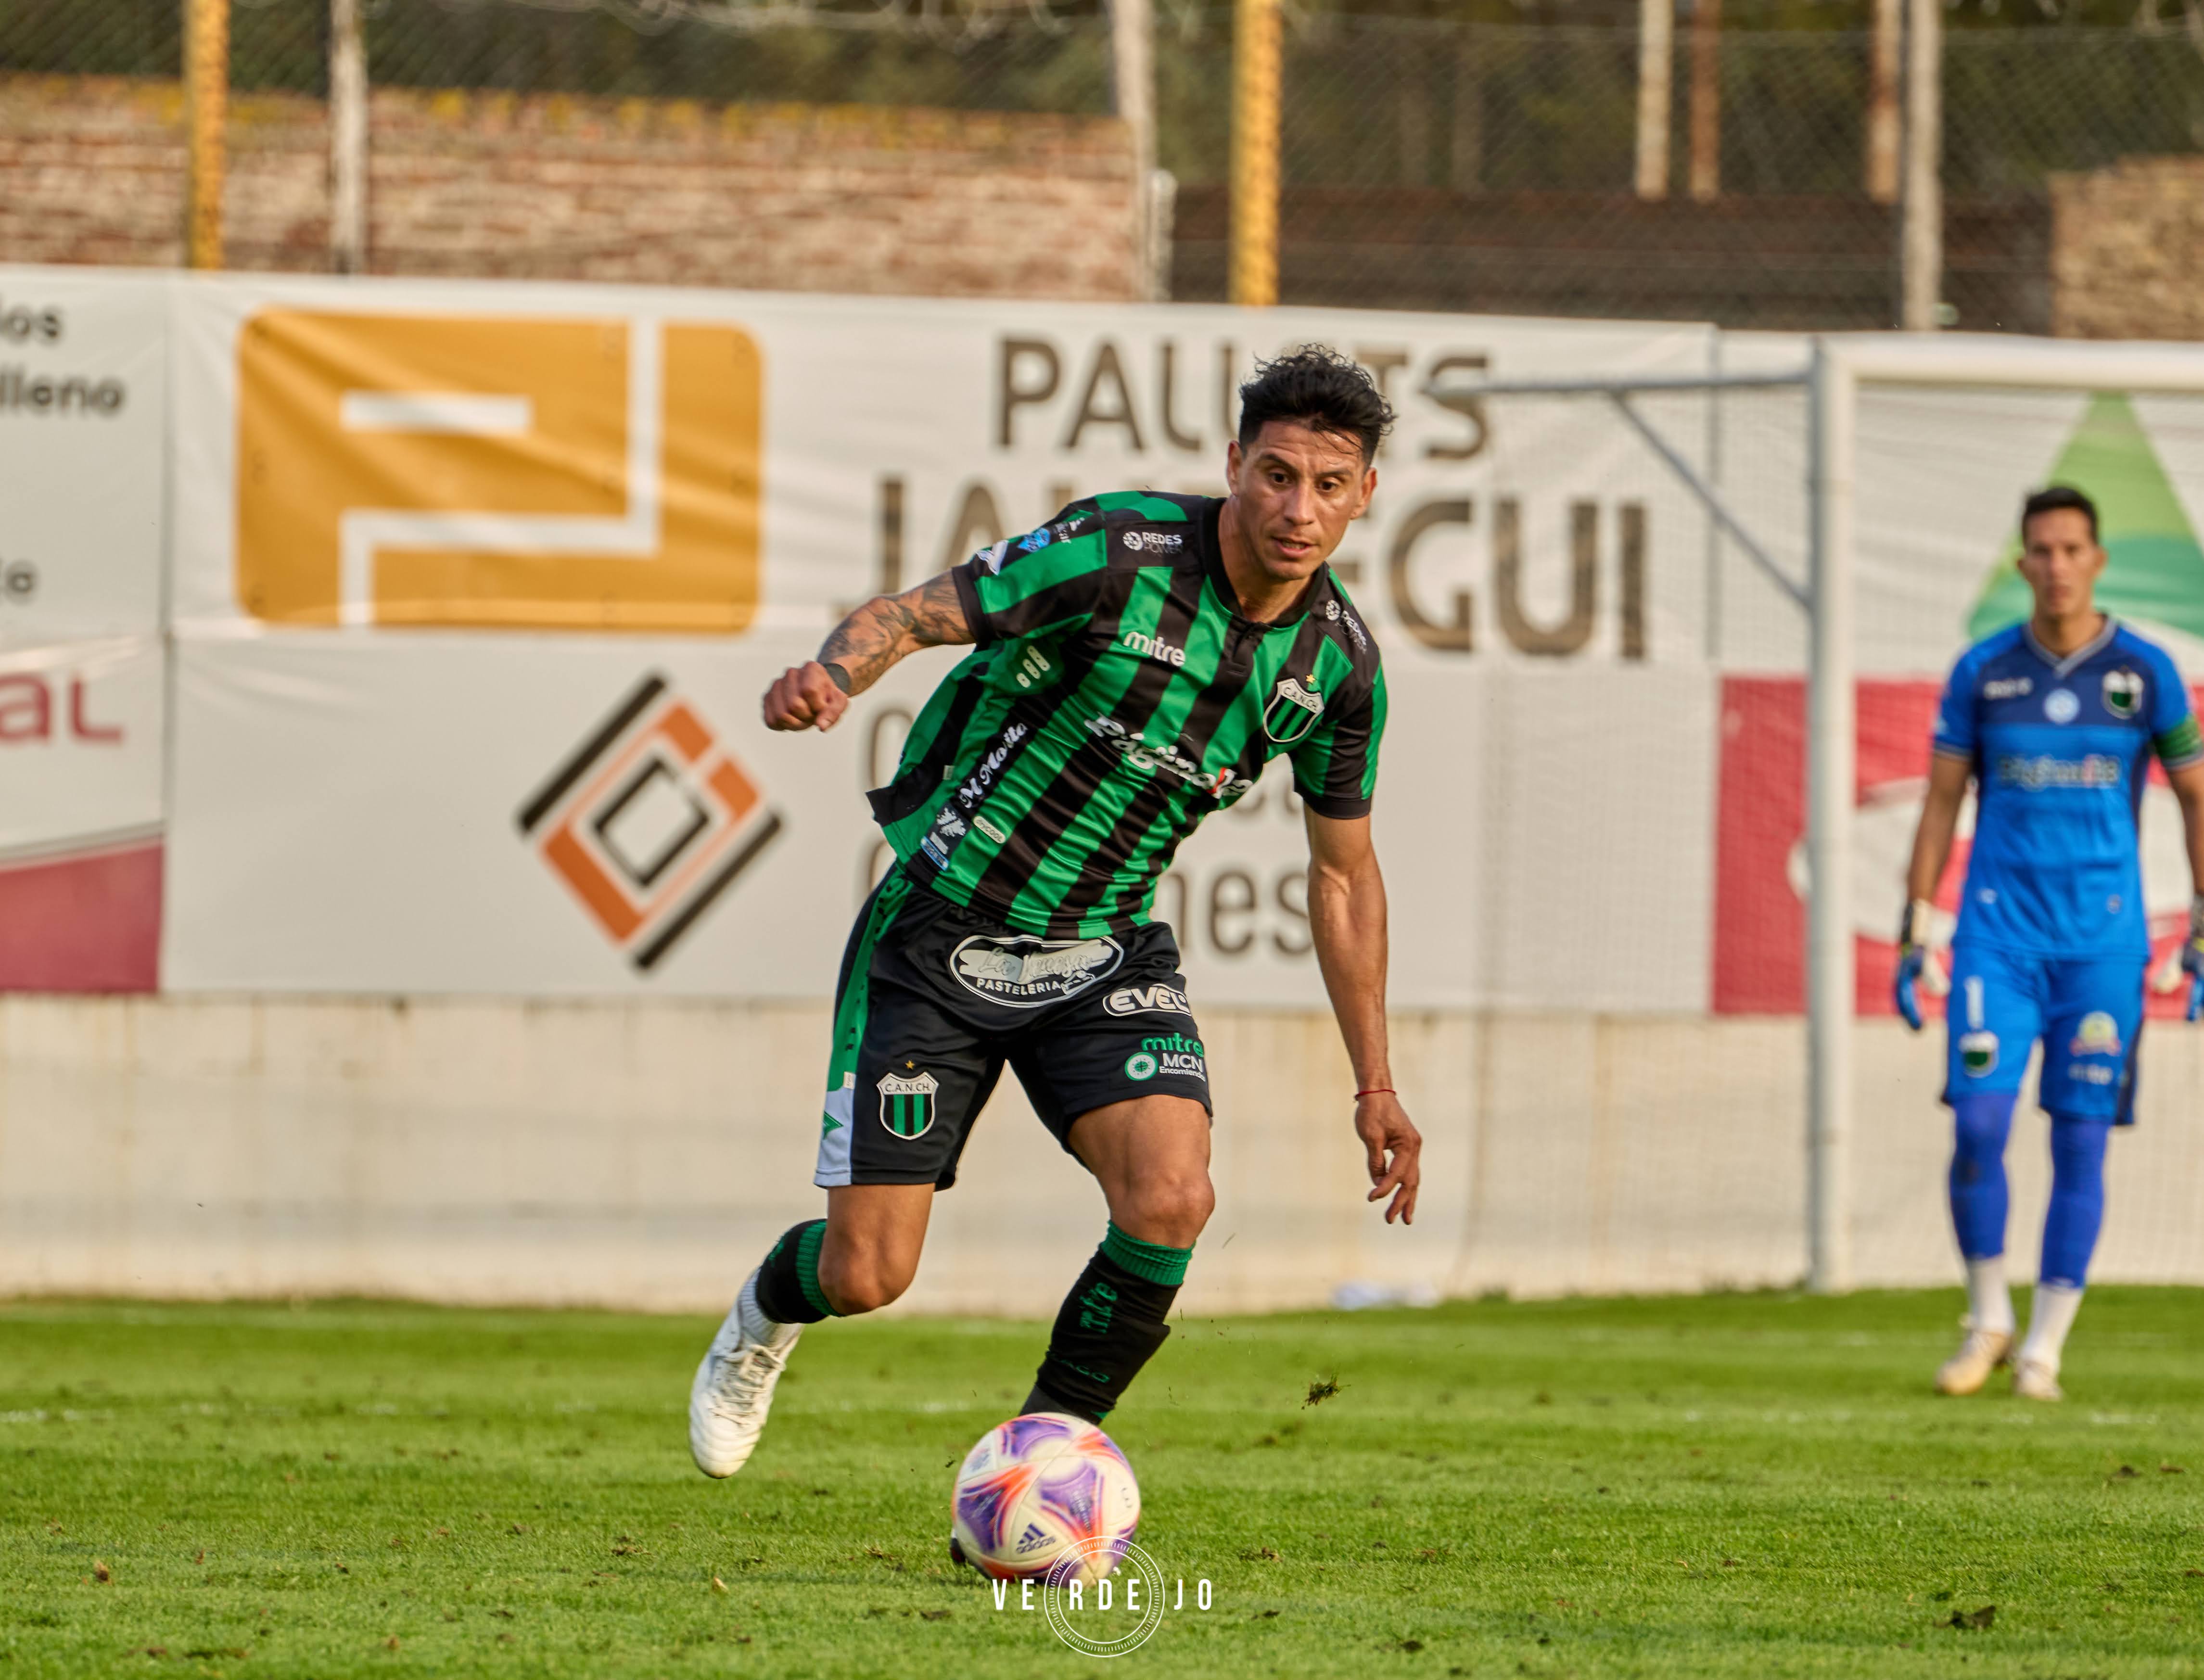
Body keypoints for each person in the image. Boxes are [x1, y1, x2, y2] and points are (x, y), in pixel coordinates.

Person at [688, 345, 1423, 1479]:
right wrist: (834, 676)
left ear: (1363, 494)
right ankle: (760, 1317)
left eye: (1327, 486)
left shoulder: (1339, 668)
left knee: (1172, 1198)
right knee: (866, 1275)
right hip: (938, 934)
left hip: (1103, 952)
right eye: (1277, 476)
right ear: (1234, 464)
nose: (1297, 510)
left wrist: (1373, 1082)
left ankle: (1037, 1464)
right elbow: (915, 615)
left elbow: (1343, 877)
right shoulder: (1117, 552)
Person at [1896, 484, 2204, 1402]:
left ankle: (2044, 1349)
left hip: (2102, 949)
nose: (2057, 565)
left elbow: (2195, 796)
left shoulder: (2144, 672)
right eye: (2041, 550)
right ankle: (1988, 1315)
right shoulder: (1983, 671)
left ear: (2096, 560)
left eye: (2072, 549)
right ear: (2021, 563)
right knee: (1979, 1125)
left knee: (2080, 1141)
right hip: (1997, 942)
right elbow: (1940, 802)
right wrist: (1916, 927)